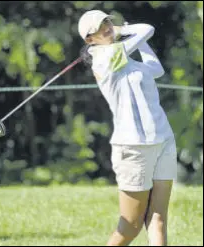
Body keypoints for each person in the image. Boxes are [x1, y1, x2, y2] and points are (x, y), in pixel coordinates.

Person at [78, 10, 177, 246]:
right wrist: (124, 29)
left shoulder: (127, 60)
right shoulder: (105, 57)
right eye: (100, 25)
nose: (107, 26)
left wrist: (137, 41)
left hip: (163, 139)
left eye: (108, 21)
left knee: (158, 219)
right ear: (89, 39)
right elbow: (147, 29)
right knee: (130, 226)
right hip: (133, 147)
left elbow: (156, 69)